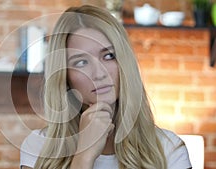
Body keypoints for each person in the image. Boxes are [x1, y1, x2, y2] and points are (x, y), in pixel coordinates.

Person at [20, 5, 192, 169]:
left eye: (109, 56)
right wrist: (84, 155)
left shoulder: (169, 149)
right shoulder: (38, 147)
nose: (99, 73)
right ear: (65, 76)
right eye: (81, 62)